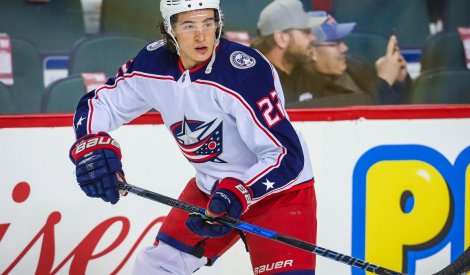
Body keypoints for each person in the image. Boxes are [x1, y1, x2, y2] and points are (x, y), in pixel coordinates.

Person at [68, 0, 320, 274]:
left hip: (279, 192)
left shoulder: (245, 72)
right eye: (189, 25)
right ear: (169, 29)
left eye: (208, 24)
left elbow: (287, 155)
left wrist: (241, 192)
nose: (201, 36)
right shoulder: (152, 63)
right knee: (156, 267)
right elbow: (100, 103)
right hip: (211, 190)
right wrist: (91, 144)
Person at [288, 11, 411, 108]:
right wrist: (384, 82)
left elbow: (398, 108)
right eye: (335, 44)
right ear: (311, 51)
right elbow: (355, 110)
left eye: (342, 41)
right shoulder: (298, 84)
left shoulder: (357, 66)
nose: (344, 48)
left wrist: (398, 82)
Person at [251, 0, 326, 103]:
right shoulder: (249, 84)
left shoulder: (309, 77)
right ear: (281, 39)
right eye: (306, 32)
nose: (313, 38)